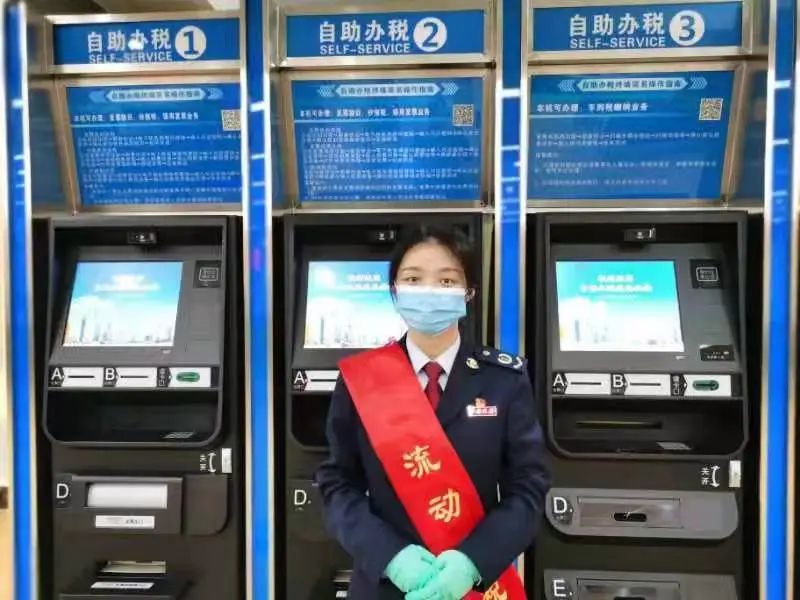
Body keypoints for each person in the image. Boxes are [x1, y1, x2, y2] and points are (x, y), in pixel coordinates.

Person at [315, 224, 551, 600]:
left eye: (446, 280)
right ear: (394, 290)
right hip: (385, 586)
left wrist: (472, 562)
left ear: (469, 291)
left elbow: (528, 488)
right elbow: (337, 484)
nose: (429, 291)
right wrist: (391, 556)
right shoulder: (362, 379)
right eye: (413, 278)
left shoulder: (503, 379)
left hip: (475, 586)